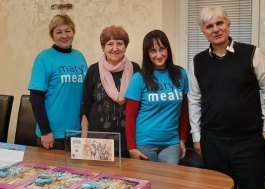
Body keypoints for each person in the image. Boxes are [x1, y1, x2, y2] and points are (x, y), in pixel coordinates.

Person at [188, 6, 265, 189]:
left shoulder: (252, 53)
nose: (216, 29)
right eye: (209, 26)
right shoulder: (197, 62)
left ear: (228, 25)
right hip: (213, 142)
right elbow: (194, 100)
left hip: (249, 143)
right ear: (203, 31)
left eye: (220, 23)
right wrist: (197, 137)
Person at [125, 29, 189, 165]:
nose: (158, 55)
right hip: (144, 144)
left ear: (168, 50)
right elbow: (130, 116)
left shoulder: (180, 74)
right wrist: (131, 148)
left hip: (171, 143)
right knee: (148, 185)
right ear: (147, 54)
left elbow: (184, 111)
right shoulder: (138, 78)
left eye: (162, 49)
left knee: (169, 185)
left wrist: (182, 139)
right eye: (153, 51)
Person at [28, 14, 87, 150]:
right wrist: (45, 131)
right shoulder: (44, 58)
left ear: (73, 32)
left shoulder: (79, 56)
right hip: (53, 134)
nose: (64, 35)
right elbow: (35, 98)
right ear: (52, 35)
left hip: (78, 131)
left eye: (68, 31)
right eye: (59, 32)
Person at [81, 25, 140, 158]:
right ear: (103, 47)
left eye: (119, 43)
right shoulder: (93, 70)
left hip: (128, 141)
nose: (115, 48)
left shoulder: (135, 70)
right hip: (98, 140)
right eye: (110, 44)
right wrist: (84, 139)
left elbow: (141, 106)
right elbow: (86, 107)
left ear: (125, 46)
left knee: (127, 177)